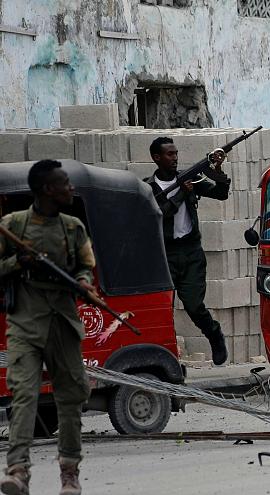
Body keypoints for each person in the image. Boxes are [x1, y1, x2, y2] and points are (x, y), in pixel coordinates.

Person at [0, 160, 95, 495]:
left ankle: (69, 472)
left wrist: (83, 284)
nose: (70, 188)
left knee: (69, 398)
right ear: (46, 190)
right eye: (63, 183)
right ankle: (17, 470)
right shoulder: (14, 225)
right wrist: (17, 262)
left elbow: (86, 267)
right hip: (25, 322)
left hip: (63, 322)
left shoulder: (73, 229)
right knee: (24, 394)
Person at [146, 137, 230, 365]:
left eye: (175, 154)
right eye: (169, 154)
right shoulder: (148, 188)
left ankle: (214, 335)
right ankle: (165, 356)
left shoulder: (189, 178)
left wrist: (217, 170)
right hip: (165, 254)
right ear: (156, 158)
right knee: (163, 309)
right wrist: (183, 193)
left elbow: (221, 194)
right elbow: (161, 213)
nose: (174, 158)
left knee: (194, 306)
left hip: (191, 252)